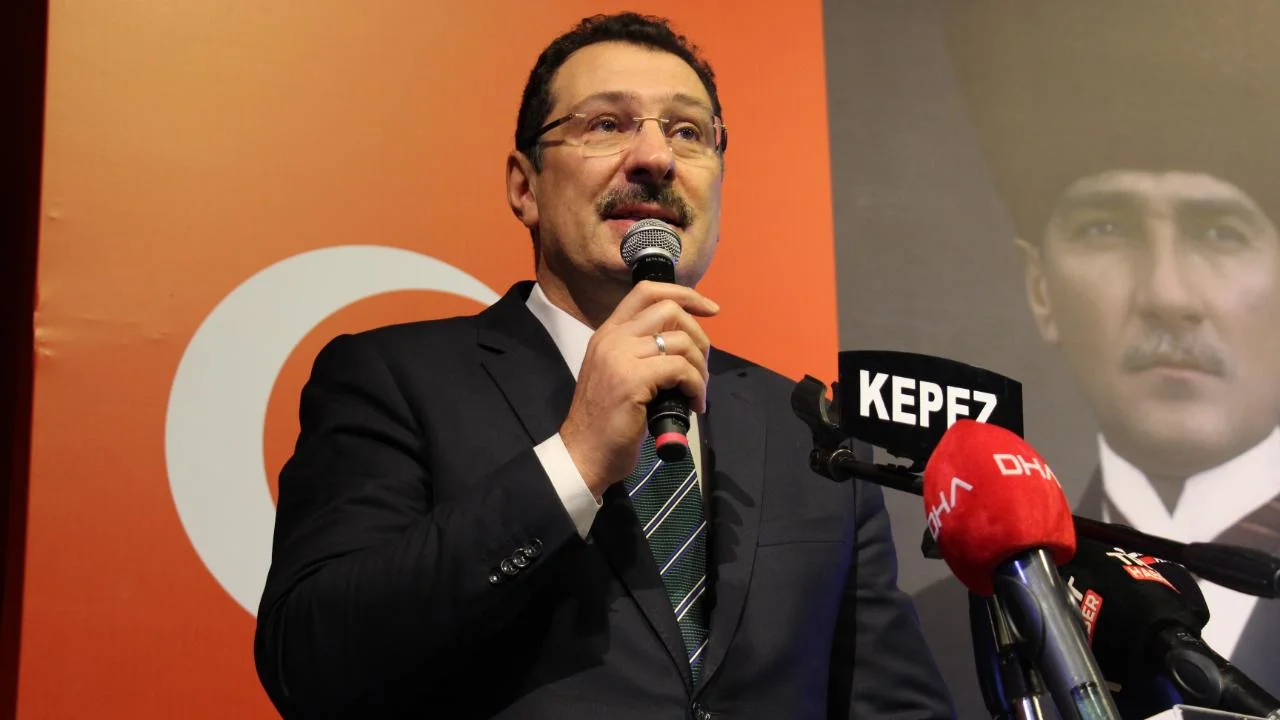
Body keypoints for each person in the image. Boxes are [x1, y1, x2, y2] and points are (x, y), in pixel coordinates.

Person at [253, 12, 955, 719]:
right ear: (524, 187)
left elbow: (896, 706)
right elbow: (309, 659)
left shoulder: (812, 433)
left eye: (688, 131)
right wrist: (575, 461)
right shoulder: (392, 380)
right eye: (606, 125)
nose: (655, 157)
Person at [910, 2, 1280, 716]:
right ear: (1040, 288)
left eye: (1221, 232)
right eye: (1107, 227)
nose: (1168, 295)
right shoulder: (936, 638)